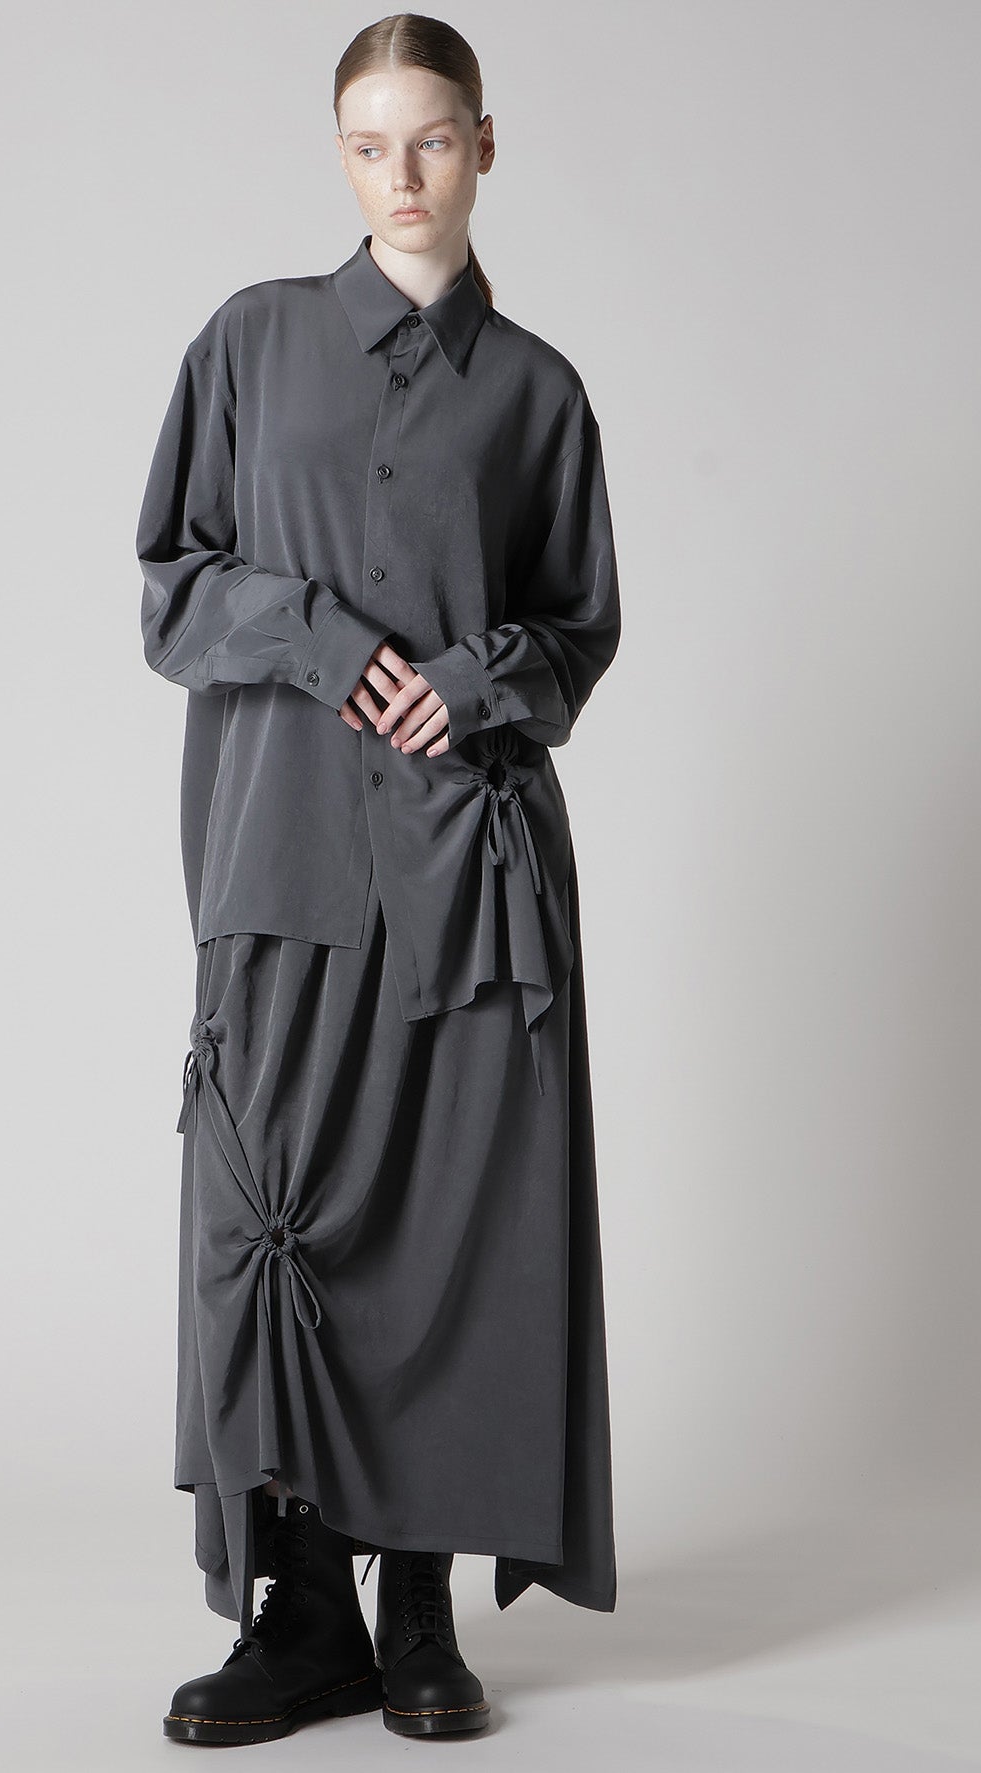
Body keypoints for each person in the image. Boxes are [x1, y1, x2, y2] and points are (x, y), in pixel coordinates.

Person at [136, 12, 621, 1747]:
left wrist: (474, 681)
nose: (400, 176)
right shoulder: (250, 344)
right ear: (338, 154)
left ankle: (417, 1607)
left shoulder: (539, 391)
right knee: (269, 1213)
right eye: (367, 144)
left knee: (453, 1230)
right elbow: (173, 587)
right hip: (281, 852)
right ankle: (300, 1612)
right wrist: (326, 638)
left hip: (473, 881)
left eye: (430, 139)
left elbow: (580, 629)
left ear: (486, 142)